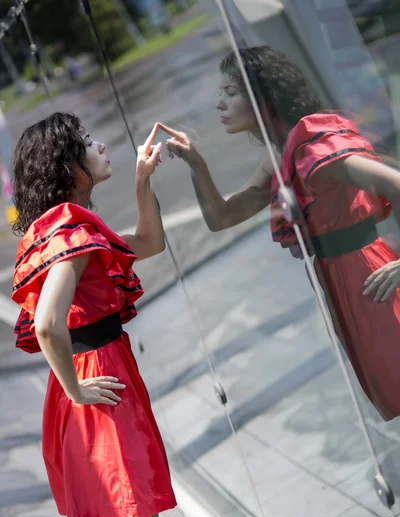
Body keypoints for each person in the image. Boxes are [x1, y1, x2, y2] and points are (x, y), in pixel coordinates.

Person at [157, 45, 400, 422]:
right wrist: (196, 164)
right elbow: (222, 216)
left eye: (231, 93)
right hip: (344, 281)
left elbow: (396, 183)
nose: (220, 104)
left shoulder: (315, 152)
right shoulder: (285, 156)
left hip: (369, 277)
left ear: (264, 97)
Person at [11, 113, 176, 517]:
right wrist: (78, 388)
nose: (100, 145)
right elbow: (46, 323)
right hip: (98, 383)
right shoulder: (71, 237)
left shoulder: (62, 231)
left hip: (84, 385)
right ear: (68, 167)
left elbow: (149, 243)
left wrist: (142, 181)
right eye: (86, 142)